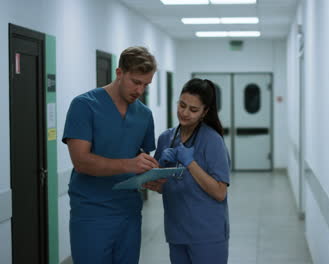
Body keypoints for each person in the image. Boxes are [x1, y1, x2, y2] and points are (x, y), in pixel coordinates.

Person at [62, 46, 163, 264]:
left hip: (129, 211)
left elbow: (141, 157)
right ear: (119, 73)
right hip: (92, 213)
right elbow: (81, 161)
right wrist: (130, 165)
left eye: (146, 85)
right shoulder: (85, 106)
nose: (140, 91)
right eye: (136, 82)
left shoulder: (144, 114)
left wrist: (152, 175)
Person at [144, 78, 231, 264]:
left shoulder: (212, 140)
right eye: (181, 105)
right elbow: (162, 187)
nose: (184, 113)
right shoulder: (166, 138)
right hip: (177, 231)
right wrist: (152, 180)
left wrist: (190, 163)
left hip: (207, 234)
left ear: (204, 112)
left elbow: (220, 192)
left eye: (193, 110)